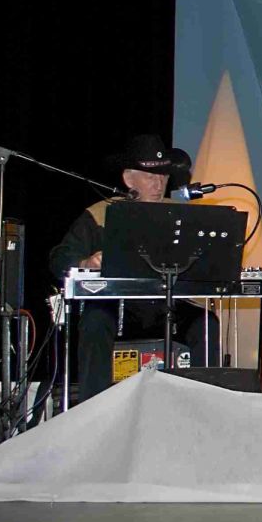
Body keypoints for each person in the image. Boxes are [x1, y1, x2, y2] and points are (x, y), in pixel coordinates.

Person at [48, 134, 221, 402]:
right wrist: (85, 262)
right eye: (150, 176)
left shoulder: (182, 214)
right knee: (94, 322)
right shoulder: (100, 214)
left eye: (163, 176)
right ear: (129, 179)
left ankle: (203, 405)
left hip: (167, 306)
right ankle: (95, 407)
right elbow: (59, 258)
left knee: (206, 323)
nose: (159, 184)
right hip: (118, 308)